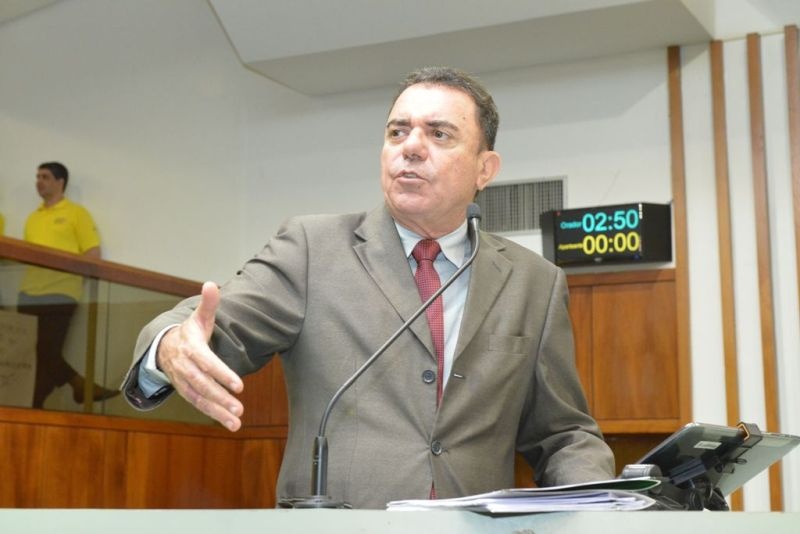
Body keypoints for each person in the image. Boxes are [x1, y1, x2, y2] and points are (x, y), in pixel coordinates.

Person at [122, 67, 615, 508]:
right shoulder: (312, 249)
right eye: (398, 131)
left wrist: (602, 506)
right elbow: (212, 323)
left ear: (484, 169)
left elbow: (562, 433)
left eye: (439, 133)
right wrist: (168, 344)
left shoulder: (534, 282)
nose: (411, 146)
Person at [17, 162, 119, 408]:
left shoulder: (76, 213)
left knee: (47, 350)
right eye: (37, 177)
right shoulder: (33, 218)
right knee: (34, 354)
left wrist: (73, 280)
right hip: (28, 293)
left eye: (45, 177)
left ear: (60, 182)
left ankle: (79, 385)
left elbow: (93, 254)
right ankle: (39, 404)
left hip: (60, 292)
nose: (39, 181)